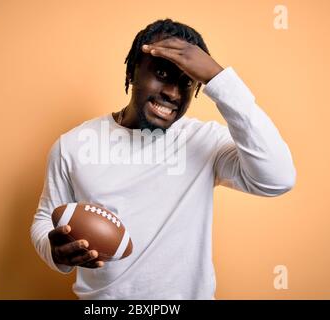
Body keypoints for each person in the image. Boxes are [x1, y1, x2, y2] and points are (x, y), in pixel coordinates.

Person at [30, 18, 296, 299]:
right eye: (161, 74)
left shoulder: (202, 141)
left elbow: (278, 179)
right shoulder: (73, 145)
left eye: (186, 82)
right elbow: (46, 218)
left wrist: (218, 78)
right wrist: (55, 252)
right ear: (132, 72)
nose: (173, 93)